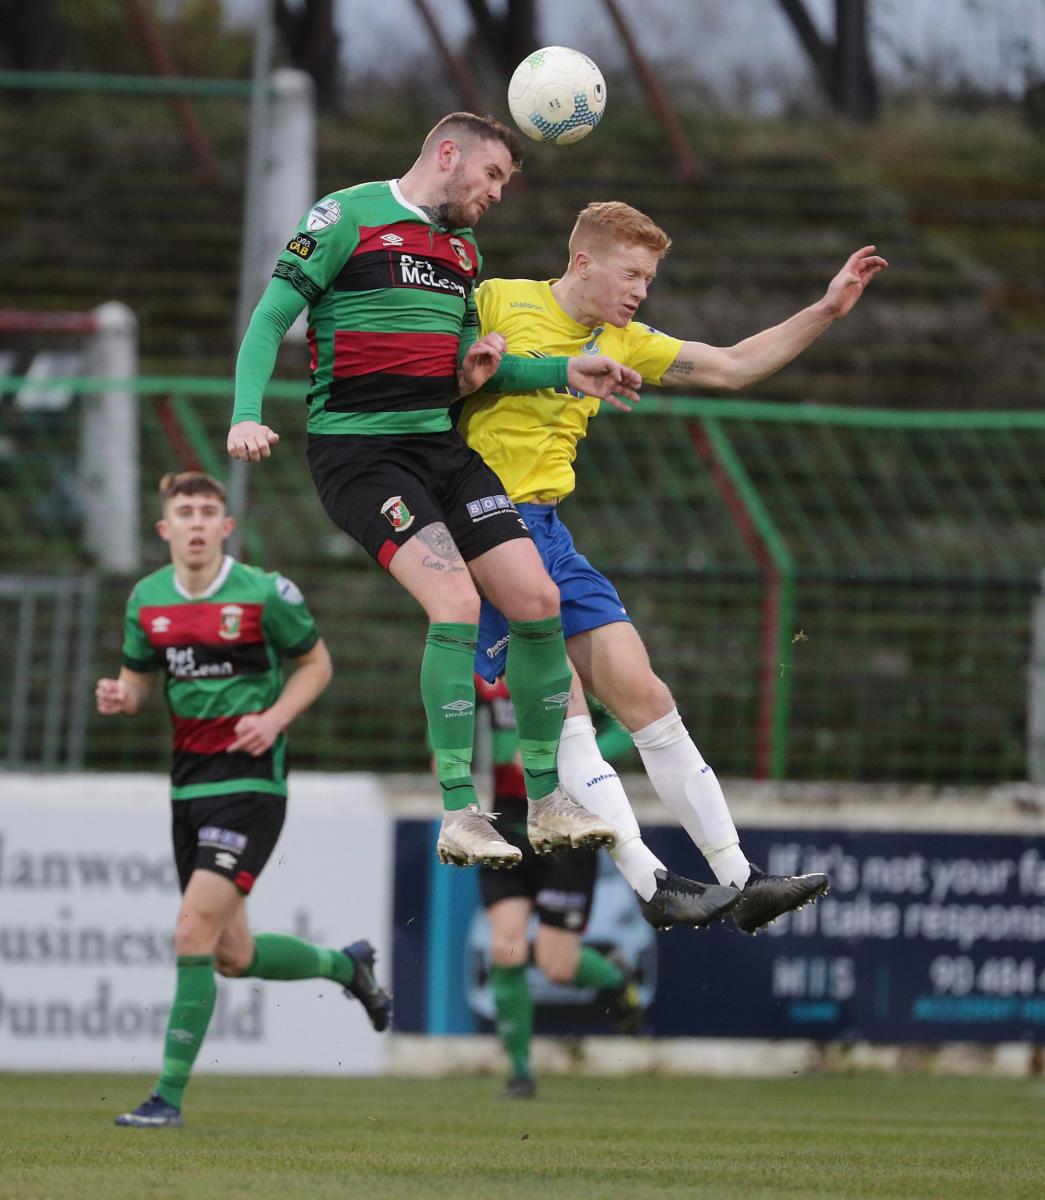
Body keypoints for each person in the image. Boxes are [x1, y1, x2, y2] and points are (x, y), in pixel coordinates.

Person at [226, 112, 660, 874]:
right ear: (448, 154)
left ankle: (545, 800)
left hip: (440, 448)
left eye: (505, 183)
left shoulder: (462, 252)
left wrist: (562, 370)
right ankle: (460, 810)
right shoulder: (346, 215)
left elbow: (475, 373)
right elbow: (269, 320)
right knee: (456, 602)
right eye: (491, 175)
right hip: (362, 456)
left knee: (536, 599)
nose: (496, 193)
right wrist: (245, 414)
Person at [458, 201, 889, 933]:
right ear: (583, 261)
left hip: (550, 531)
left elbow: (732, 365)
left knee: (648, 697)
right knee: (564, 711)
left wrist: (825, 310)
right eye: (631, 274)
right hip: (485, 527)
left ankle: (742, 879)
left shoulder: (622, 338)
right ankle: (649, 881)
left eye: (649, 279)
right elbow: (441, 380)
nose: (640, 291)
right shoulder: (498, 299)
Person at [96, 471, 391, 1129]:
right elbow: (138, 682)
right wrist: (122, 697)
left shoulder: (263, 593)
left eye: (209, 512)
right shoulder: (147, 599)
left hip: (251, 786)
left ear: (226, 527)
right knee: (230, 955)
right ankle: (347, 966)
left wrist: (275, 717)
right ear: (165, 528)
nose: (197, 523)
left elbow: (316, 664)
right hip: (188, 788)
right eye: (185, 513)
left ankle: (166, 1098)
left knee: (190, 931)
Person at [473, 675, 641, 1100]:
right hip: (507, 827)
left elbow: (624, 728)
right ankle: (520, 1072)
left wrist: (566, 761)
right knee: (505, 949)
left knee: (558, 968)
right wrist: (446, 757)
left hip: (565, 834)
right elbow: (448, 714)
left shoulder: (566, 670)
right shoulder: (481, 669)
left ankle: (615, 977)